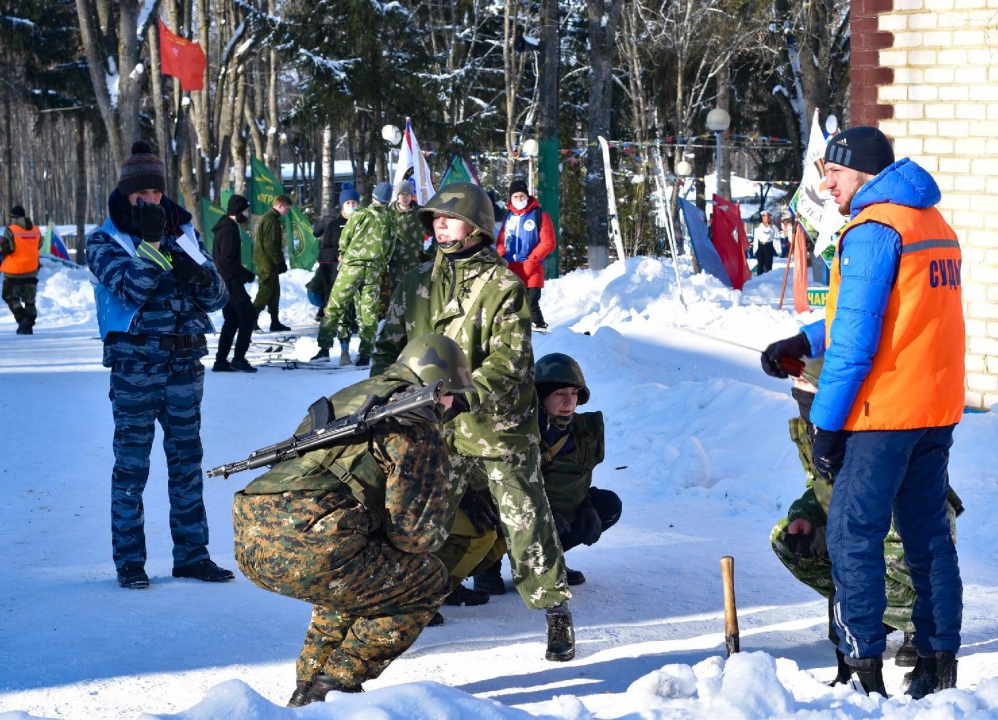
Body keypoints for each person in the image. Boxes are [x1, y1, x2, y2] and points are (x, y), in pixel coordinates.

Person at [761, 126, 965, 698]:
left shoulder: (873, 229)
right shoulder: (930, 223)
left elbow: (855, 339)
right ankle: (937, 661)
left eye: (835, 173)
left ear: (865, 174)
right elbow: (892, 312)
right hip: (934, 408)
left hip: (885, 413)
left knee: (854, 535)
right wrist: (803, 340)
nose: (826, 184)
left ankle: (861, 667)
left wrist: (825, 425)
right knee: (927, 536)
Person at [371, 181, 575, 662]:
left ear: (478, 226)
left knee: (525, 521)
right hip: (434, 429)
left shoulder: (504, 286)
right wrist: (385, 396)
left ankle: (555, 611)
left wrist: (460, 397)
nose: (438, 222)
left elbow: (510, 361)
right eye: (434, 217)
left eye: (449, 216)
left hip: (497, 428)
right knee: (421, 519)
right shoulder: (416, 284)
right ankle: (414, 601)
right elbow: (386, 350)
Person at [232, 334, 475, 706]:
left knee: (359, 576)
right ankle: (336, 687)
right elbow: (413, 536)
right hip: (312, 541)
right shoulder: (413, 423)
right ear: (438, 387)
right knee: (425, 580)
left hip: (252, 534)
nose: (450, 411)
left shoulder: (355, 396)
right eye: (453, 399)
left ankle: (310, 689)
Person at [87, 140, 233, 590]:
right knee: (132, 466)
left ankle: (192, 555)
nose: (151, 201)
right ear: (127, 193)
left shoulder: (184, 232)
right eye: (142, 194)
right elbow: (130, 287)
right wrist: (151, 244)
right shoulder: (105, 240)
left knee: (187, 463)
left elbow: (220, 298)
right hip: (136, 369)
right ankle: (130, 562)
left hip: (185, 365)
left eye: (156, 193)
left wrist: (203, 275)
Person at [769, 358, 963, 680]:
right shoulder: (815, 427)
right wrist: (805, 517)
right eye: (795, 384)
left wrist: (831, 535)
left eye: (805, 383)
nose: (797, 390)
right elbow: (820, 484)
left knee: (864, 548)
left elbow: (881, 510)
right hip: (860, 523)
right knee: (785, 538)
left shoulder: (865, 428)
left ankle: (916, 625)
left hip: (903, 531)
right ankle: (866, 616)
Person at [476, 353, 621, 593]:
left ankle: (546, 563)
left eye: (574, 393)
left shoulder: (582, 432)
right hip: (513, 510)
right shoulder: (518, 431)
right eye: (560, 394)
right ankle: (486, 567)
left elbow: (579, 478)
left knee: (607, 504)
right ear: (541, 396)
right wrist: (543, 511)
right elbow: (497, 484)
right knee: (488, 507)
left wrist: (585, 506)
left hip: (551, 512)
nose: (569, 401)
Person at [313, 181, 394, 367]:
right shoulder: (390, 220)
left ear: (373, 197)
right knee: (368, 314)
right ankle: (365, 354)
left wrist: (343, 254)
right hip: (373, 270)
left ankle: (324, 347)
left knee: (335, 307)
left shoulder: (360, 215)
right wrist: (381, 263)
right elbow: (390, 247)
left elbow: (345, 238)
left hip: (352, 267)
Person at [496, 178, 556, 331]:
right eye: (515, 197)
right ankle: (512, 331)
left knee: (531, 303)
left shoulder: (539, 215)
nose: (519, 199)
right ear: (511, 198)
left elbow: (548, 242)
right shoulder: (508, 217)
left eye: (522, 196)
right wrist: (501, 256)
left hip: (532, 267)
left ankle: (539, 330)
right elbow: (501, 240)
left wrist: (532, 260)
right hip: (511, 268)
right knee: (510, 304)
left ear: (527, 196)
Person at [211, 194, 258, 373]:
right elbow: (227, 260)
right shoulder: (229, 230)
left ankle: (221, 361)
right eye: (245, 210)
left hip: (225, 281)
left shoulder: (225, 227)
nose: (247, 214)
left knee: (231, 320)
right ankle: (238, 358)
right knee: (248, 316)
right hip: (231, 282)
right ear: (237, 211)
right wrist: (245, 274)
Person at [311, 182, 360, 321]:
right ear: (342, 205)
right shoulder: (333, 225)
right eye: (348, 203)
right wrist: (337, 255)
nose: (351, 206)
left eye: (354, 202)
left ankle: (355, 320)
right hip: (336, 271)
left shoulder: (363, 223)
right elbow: (324, 251)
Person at [380, 179, 425, 317]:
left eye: (408, 194)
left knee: (416, 295)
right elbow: (382, 236)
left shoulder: (421, 212)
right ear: (397, 195)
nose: (405, 197)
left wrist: (429, 253)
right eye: (402, 194)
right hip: (396, 263)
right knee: (397, 295)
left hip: (416, 262)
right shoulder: (388, 213)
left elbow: (435, 233)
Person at [252, 194, 292, 332]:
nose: (287, 212)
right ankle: (252, 319)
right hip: (266, 263)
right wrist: (279, 261)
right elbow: (270, 244)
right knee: (266, 291)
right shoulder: (270, 220)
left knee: (274, 292)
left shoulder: (272, 218)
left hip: (269, 263)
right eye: (287, 209)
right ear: (279, 206)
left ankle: (275, 321)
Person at [1, 205, 41, 334]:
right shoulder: (35, 230)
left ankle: (22, 318)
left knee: (9, 296)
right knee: (29, 300)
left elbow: (7, 248)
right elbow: (39, 244)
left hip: (14, 272)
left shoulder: (10, 230)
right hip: (31, 270)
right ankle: (28, 325)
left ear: (13, 217)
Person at [752, 210, 779, 274]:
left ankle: (768, 278)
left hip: (769, 246)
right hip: (761, 246)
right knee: (760, 264)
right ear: (762, 218)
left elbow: (776, 238)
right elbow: (755, 239)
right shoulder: (758, 227)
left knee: (768, 265)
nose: (766, 218)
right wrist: (755, 250)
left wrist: (778, 250)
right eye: (764, 217)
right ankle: (759, 278)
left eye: (767, 217)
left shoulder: (773, 227)